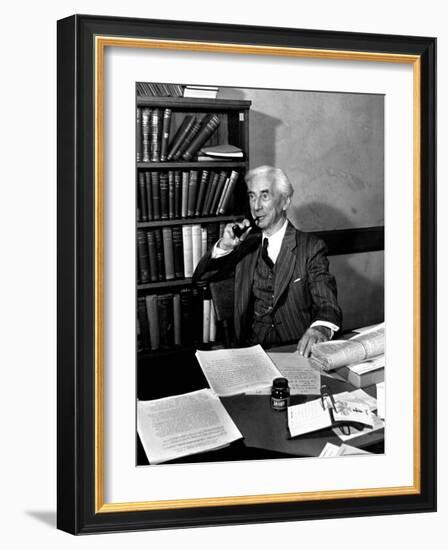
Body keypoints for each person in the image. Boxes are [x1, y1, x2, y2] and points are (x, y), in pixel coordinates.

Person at [193, 165, 342, 356]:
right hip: (250, 351)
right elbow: (200, 279)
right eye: (252, 196)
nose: (256, 207)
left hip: (295, 351)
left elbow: (327, 304)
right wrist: (225, 247)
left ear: (285, 202)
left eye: (265, 196)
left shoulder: (311, 247)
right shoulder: (245, 246)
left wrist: (320, 329)